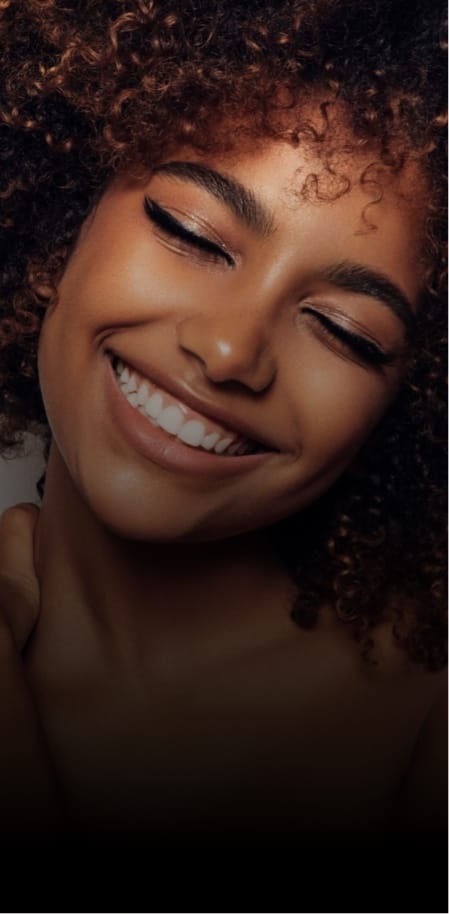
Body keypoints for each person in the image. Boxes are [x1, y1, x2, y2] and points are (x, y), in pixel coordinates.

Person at [0, 0, 446, 865]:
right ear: (61, 234)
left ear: (409, 404)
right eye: (191, 234)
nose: (231, 350)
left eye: (346, 332)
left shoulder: (423, 715)